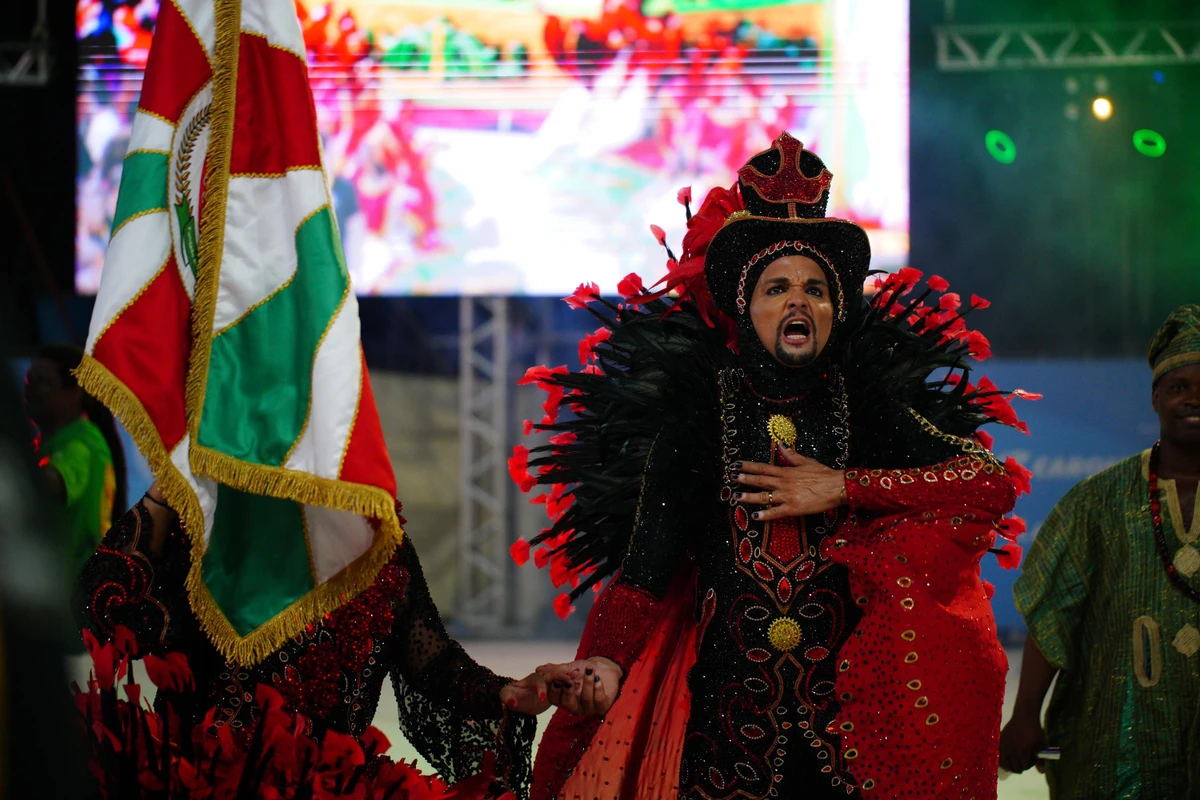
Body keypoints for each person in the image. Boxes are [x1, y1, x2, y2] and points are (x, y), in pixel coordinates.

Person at [510, 132, 1030, 799]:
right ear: (745, 307)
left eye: (816, 289)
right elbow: (643, 575)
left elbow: (985, 482)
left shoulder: (868, 411)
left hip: (853, 745)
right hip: (727, 745)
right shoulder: (693, 427)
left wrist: (846, 486)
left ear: (836, 310)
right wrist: (606, 664)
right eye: (777, 286)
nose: (799, 301)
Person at [77, 483, 549, 797]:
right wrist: (165, 489)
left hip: (333, 784)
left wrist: (503, 692)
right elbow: (104, 611)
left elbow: (431, 660)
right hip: (200, 781)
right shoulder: (204, 520)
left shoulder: (377, 540)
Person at [1000, 304, 1200, 798]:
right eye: (1179, 387)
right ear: (1155, 397)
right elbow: (1055, 614)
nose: (1194, 400)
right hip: (1116, 740)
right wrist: (1026, 715)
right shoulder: (1099, 500)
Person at [24, 342, 127, 578]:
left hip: (74, 597)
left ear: (75, 392)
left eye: (43, 383)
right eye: (30, 380)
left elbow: (52, 484)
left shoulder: (82, 445)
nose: (30, 390)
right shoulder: (52, 444)